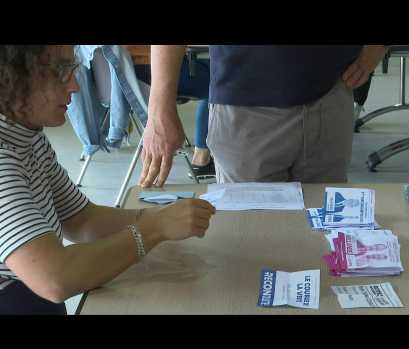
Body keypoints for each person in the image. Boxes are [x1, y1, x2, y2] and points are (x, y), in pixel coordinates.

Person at [0, 45, 216, 315]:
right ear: (12, 76)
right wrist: (155, 228)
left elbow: (81, 219)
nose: (75, 86)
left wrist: (163, 217)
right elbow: (54, 278)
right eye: (60, 72)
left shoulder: (26, 136)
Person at [140, 45, 388, 188]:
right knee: (249, 237)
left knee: (326, 233)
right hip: (245, 109)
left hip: (330, 96)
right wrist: (159, 110)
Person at [128, 45, 215, 178]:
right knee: (228, 71)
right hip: (148, 66)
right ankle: (201, 156)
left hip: (121, 73)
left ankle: (202, 157)